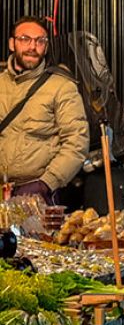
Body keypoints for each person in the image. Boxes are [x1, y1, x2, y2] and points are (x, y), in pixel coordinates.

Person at [0, 16, 89, 205]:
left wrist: (47, 183)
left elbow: (76, 141)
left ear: (46, 47)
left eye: (40, 41)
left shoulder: (61, 86)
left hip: (37, 196)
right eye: (25, 39)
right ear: (12, 43)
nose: (32, 47)